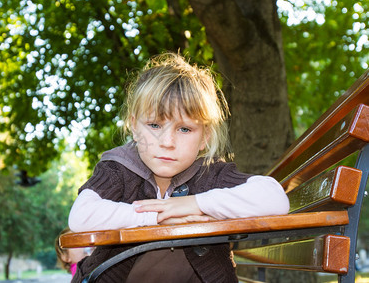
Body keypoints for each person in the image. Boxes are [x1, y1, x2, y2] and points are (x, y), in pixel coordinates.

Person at [68, 52, 290, 282]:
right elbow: (80, 217)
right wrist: (158, 217)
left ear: (205, 136)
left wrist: (193, 204)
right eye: (154, 125)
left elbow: (275, 199)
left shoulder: (211, 173)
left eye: (184, 129)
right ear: (134, 126)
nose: (167, 142)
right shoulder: (118, 168)